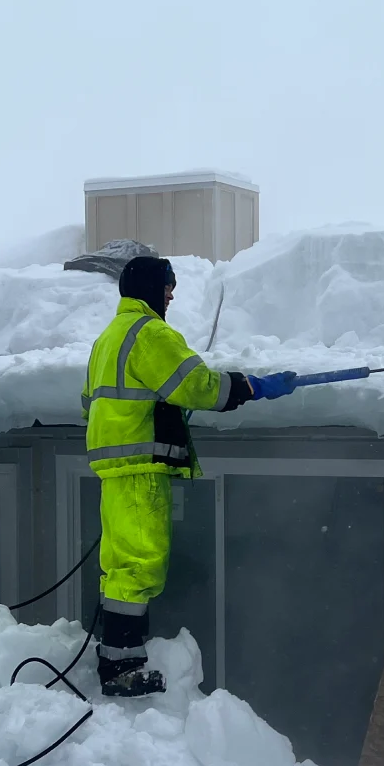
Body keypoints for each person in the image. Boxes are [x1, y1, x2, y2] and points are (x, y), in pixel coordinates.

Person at [82, 255, 295, 695]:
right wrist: (250, 387)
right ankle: (121, 671)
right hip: (140, 465)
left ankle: (115, 657)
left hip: (115, 465)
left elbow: (91, 402)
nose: (172, 294)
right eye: (168, 286)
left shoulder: (108, 338)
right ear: (149, 287)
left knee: (121, 564)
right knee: (141, 565)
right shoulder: (150, 333)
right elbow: (198, 385)